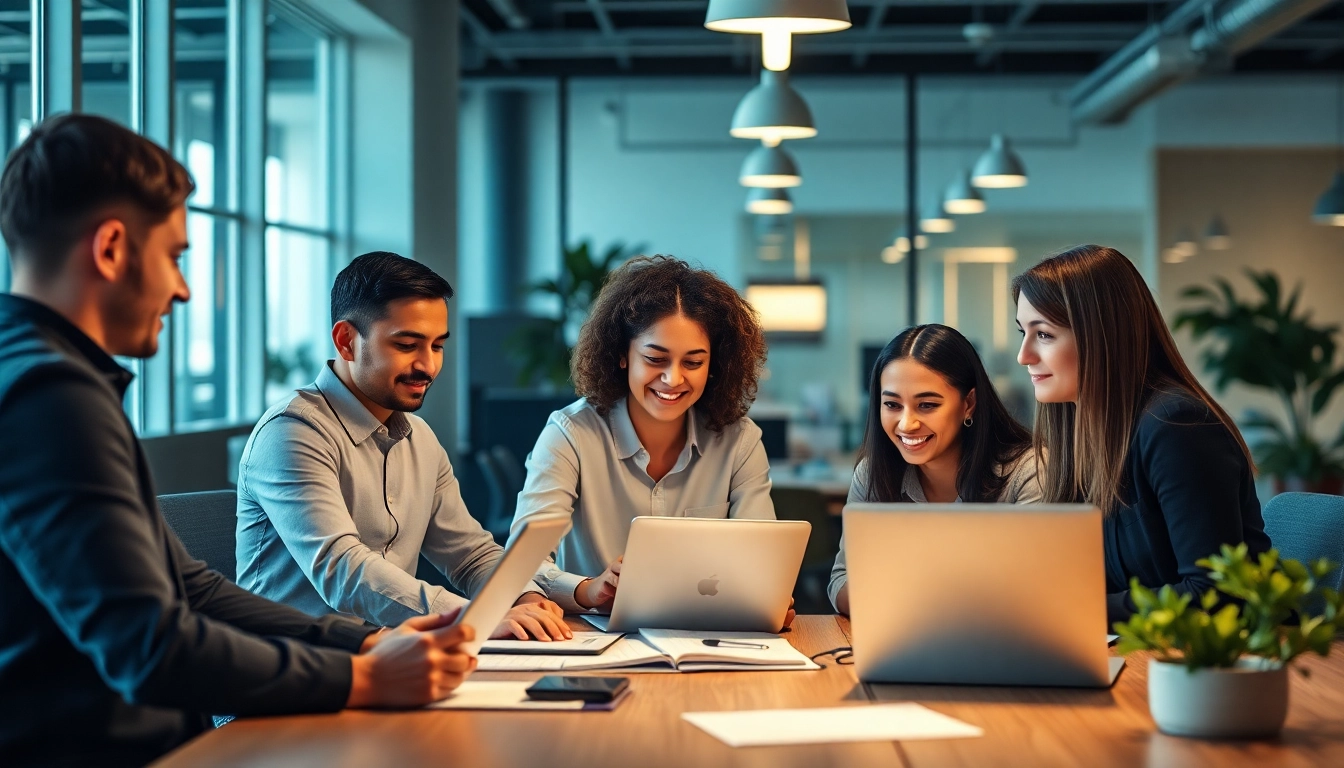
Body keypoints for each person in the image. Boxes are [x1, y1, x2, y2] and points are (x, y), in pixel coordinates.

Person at [0, 115, 477, 768]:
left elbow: (187, 586)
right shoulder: (51, 399)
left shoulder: (46, 380)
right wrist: (363, 678)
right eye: (173, 256)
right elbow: (149, 646)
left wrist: (359, 643)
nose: (182, 288)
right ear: (111, 249)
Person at [235, 251, 569, 641]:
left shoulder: (420, 438)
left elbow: (469, 554)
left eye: (437, 346)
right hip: (293, 672)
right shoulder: (292, 432)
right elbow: (343, 572)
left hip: (389, 656)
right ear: (346, 341)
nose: (428, 366)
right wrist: (474, 617)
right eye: (408, 345)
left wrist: (523, 597)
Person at [510, 255, 793, 628]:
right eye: (655, 359)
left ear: (714, 367)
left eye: (693, 363)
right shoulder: (570, 434)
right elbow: (522, 563)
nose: (673, 379)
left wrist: (767, 596)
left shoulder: (739, 441)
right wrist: (589, 589)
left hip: (706, 641)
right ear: (623, 355)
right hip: (592, 644)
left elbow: (763, 559)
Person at [1012, 244, 1271, 625]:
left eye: (1044, 335)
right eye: (1023, 332)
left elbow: (1213, 593)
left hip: (1219, 664)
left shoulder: (1177, 427)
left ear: (1102, 335)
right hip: (1145, 653)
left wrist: (1078, 610)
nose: (1024, 355)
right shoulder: (1088, 433)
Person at [829, 324, 1042, 615]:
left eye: (927, 405)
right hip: (902, 642)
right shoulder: (872, 473)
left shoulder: (1027, 472)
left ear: (968, 404)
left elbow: (1035, 593)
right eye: (892, 404)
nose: (906, 424)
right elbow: (840, 582)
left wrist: (903, 588)